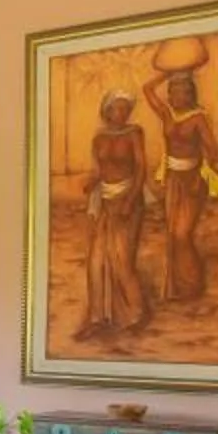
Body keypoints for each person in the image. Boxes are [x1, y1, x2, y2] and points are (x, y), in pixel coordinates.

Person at [145, 63, 218, 305]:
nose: (177, 96)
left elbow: (212, 151)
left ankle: (193, 283)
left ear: (192, 94)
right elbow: (147, 89)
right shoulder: (167, 114)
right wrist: (166, 73)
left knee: (182, 234)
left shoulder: (198, 118)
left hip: (192, 181)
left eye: (183, 92)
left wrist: (204, 178)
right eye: (173, 92)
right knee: (172, 234)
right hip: (173, 180)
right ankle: (178, 288)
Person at [76, 90, 149, 339]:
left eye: (125, 108)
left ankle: (135, 314)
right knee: (96, 261)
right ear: (106, 111)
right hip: (105, 201)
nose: (122, 112)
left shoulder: (134, 133)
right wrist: (90, 182)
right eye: (117, 108)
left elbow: (141, 169)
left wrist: (130, 200)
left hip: (128, 199)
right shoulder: (99, 138)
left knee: (121, 259)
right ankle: (97, 318)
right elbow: (100, 169)